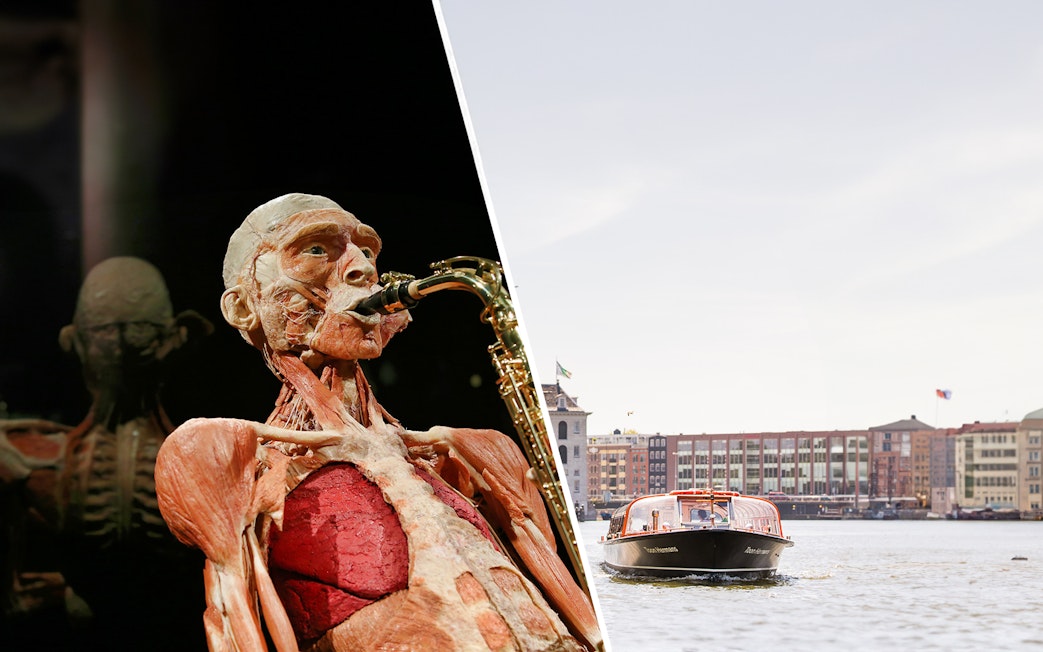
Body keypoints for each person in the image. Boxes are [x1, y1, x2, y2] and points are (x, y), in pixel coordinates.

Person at [154, 194, 601, 651]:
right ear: (244, 309)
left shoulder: (453, 453)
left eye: (366, 251)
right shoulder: (242, 463)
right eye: (315, 250)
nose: (362, 269)